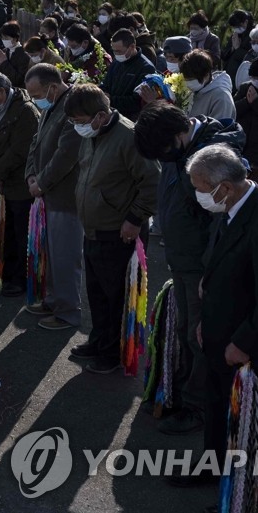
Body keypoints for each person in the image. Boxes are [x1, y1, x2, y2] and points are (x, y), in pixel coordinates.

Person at [175, 144, 258, 509]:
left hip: (253, 346)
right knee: (217, 408)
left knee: (247, 425)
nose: (199, 195)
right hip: (221, 332)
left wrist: (243, 343)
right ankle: (214, 468)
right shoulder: (233, 206)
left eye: (201, 188)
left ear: (224, 187)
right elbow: (220, 256)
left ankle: (245, 497)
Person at [133, 102, 245, 435]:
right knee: (184, 331)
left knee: (201, 336)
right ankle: (180, 393)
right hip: (182, 261)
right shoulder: (177, 150)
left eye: (163, 152)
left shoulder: (212, 159)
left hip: (200, 268)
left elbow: (219, 225)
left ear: (180, 135)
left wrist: (209, 274)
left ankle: (199, 407)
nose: (162, 159)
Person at [65, 84, 159, 374]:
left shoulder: (129, 137)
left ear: (101, 116)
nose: (78, 127)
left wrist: (135, 218)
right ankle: (98, 340)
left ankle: (112, 353)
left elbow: (151, 183)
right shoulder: (93, 135)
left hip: (118, 231)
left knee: (116, 295)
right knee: (96, 292)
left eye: (81, 122)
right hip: (93, 228)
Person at [24, 63, 83, 330]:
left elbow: (66, 155)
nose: (35, 99)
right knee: (50, 252)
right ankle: (51, 299)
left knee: (64, 255)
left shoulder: (73, 106)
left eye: (36, 93)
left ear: (52, 86)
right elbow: (36, 141)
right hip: (46, 191)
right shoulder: (52, 106)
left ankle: (67, 311)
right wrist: (31, 175)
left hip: (64, 195)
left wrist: (42, 182)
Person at [0, 69, 39, 296]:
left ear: (1, 92)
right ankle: (5, 273)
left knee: (20, 233)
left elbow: (21, 150)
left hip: (18, 184)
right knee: (6, 231)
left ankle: (19, 279)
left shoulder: (25, 112)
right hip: (1, 181)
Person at [106, 28, 157, 121]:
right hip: (110, 114)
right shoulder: (116, 62)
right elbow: (106, 84)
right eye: (114, 51)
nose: (116, 54)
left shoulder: (146, 68)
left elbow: (137, 101)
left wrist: (110, 100)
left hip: (128, 119)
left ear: (132, 47)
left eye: (119, 51)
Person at [180, 49, 236, 123]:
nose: (188, 83)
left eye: (191, 80)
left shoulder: (222, 97)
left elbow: (218, 130)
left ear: (206, 75)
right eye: (186, 80)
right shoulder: (194, 90)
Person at [0, 21, 31, 87]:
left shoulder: (24, 54)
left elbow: (18, 80)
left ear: (15, 38)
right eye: (2, 38)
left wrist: (4, 62)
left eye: (6, 38)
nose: (4, 40)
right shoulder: (5, 51)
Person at [221, 9, 254, 78]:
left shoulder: (253, 36)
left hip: (241, 75)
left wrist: (238, 49)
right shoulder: (236, 35)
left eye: (238, 26)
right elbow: (224, 55)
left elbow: (251, 58)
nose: (236, 29)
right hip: (229, 73)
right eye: (234, 27)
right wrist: (232, 49)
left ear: (246, 22)